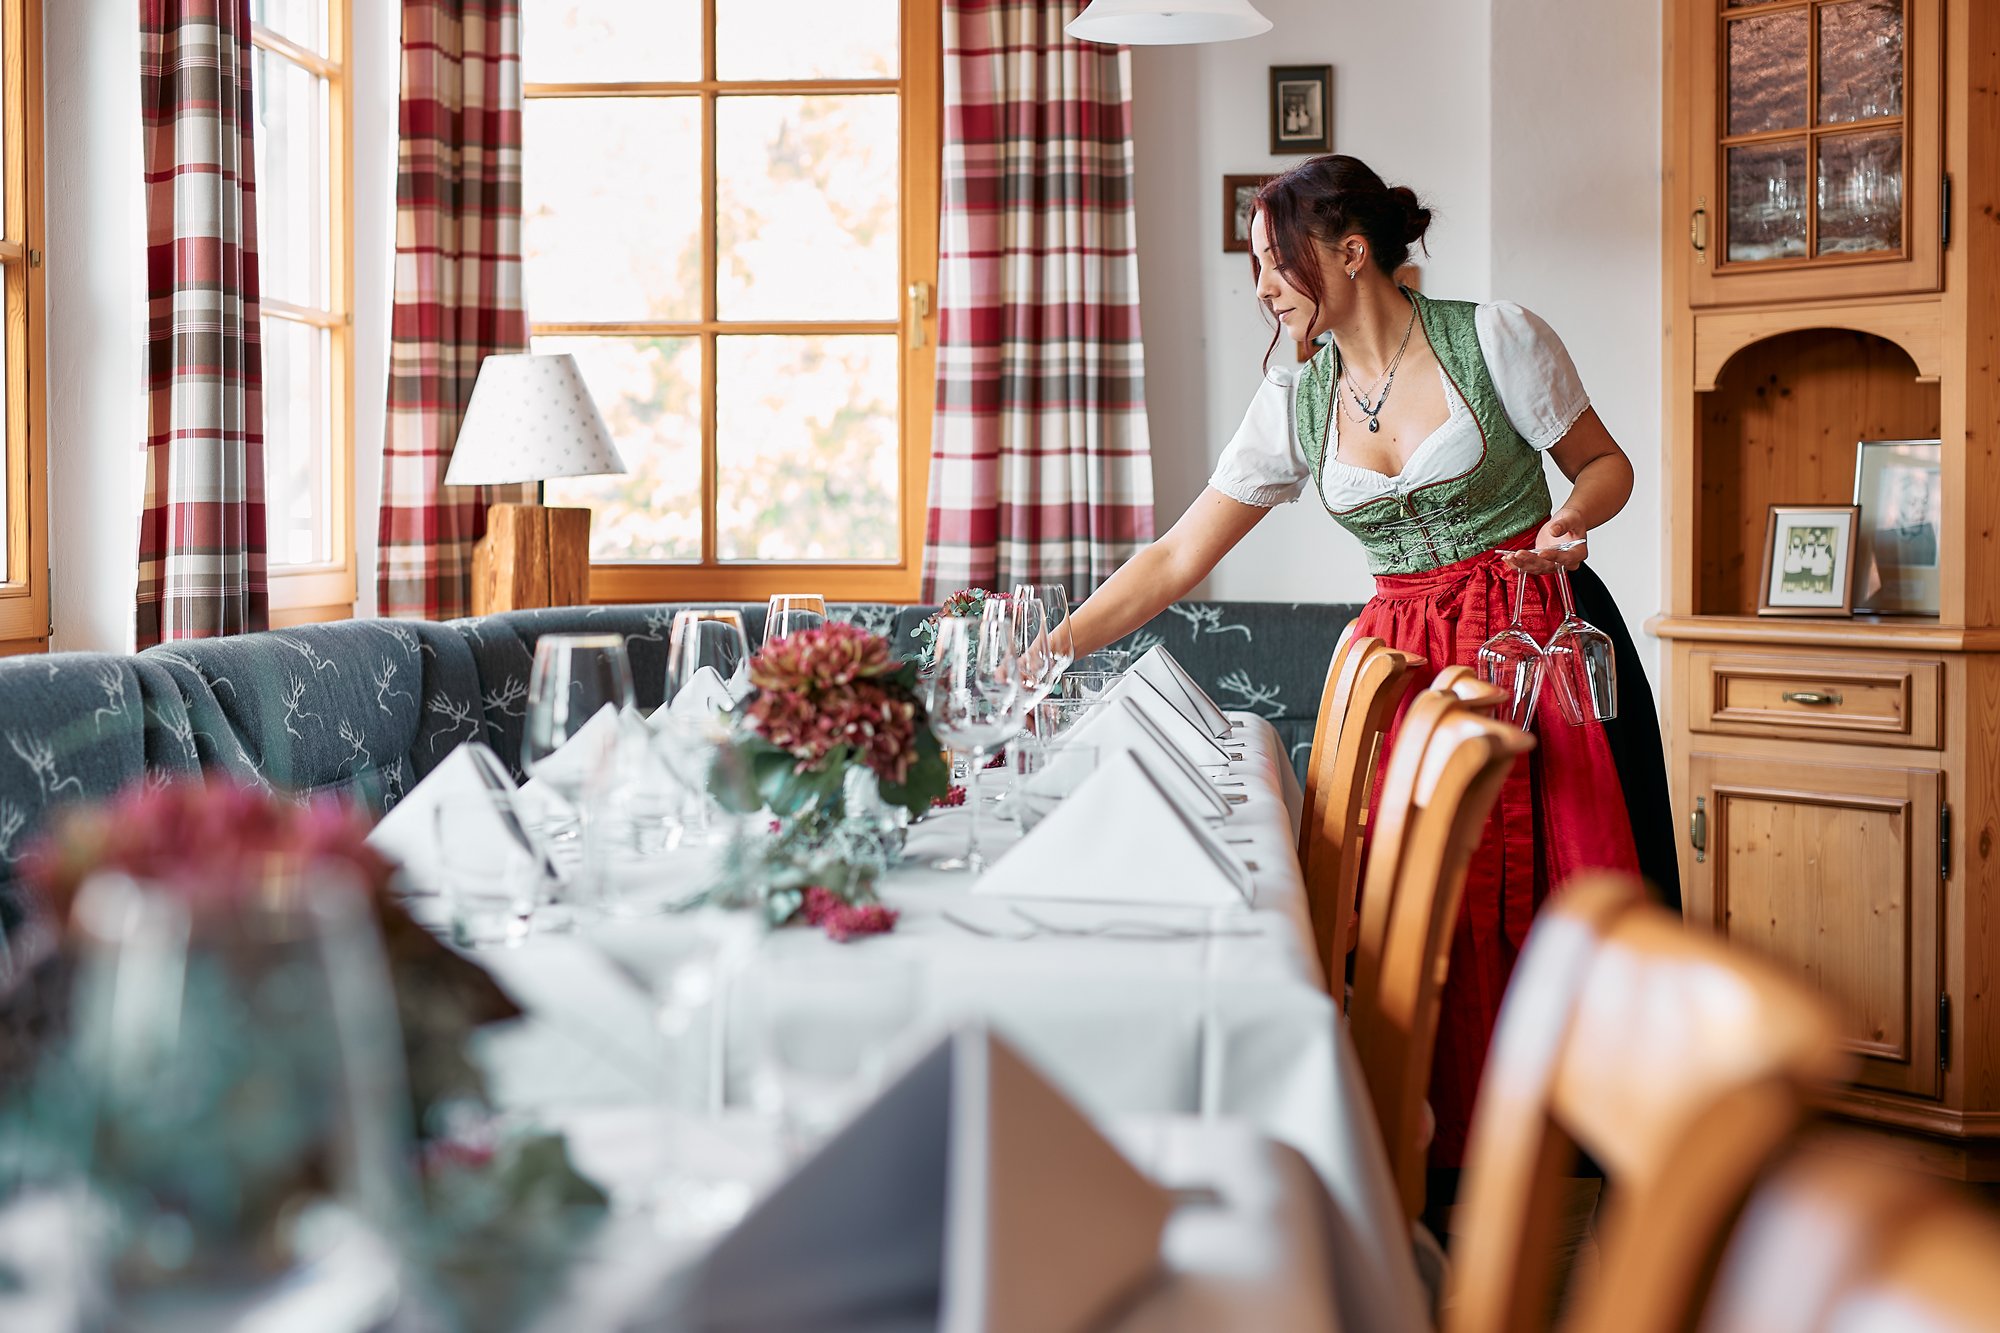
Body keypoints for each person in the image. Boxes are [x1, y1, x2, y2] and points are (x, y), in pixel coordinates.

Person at [1060, 154, 1680, 1213]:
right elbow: (1174, 557)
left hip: (1531, 637)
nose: (1261, 287)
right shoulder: (1293, 398)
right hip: (1402, 663)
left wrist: (1571, 522)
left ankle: (1604, 1158)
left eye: (1274, 263)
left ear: (1351, 253)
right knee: (1424, 911)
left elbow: (1603, 463)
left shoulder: (1493, 337)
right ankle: (1443, 1165)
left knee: (1566, 894)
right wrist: (1051, 647)